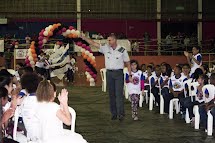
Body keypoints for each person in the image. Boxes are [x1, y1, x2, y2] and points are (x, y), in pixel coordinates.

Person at [81, 33, 132, 121]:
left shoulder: (122, 50)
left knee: (119, 95)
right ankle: (114, 114)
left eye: (110, 40)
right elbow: (93, 43)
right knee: (111, 95)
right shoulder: (105, 48)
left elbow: (127, 63)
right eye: (108, 40)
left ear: (115, 40)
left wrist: (130, 75)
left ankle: (121, 114)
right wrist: (83, 37)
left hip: (119, 74)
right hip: (109, 74)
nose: (108, 42)